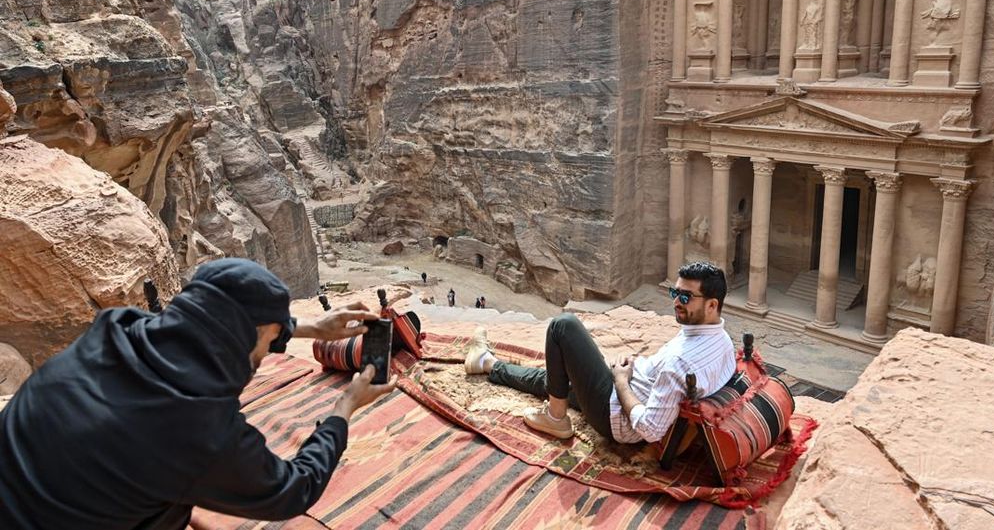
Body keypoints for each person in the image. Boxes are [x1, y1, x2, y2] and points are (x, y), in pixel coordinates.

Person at [0, 258, 397, 529]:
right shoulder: (199, 430)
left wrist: (309, 327)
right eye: (270, 340)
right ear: (255, 332)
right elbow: (295, 489)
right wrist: (344, 408)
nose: (263, 356)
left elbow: (214, 322)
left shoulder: (116, 327)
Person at [464, 262, 736, 443]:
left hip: (614, 415)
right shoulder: (721, 340)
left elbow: (651, 429)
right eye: (675, 293)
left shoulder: (681, 361)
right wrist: (637, 370)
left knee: (563, 326)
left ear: (712, 305)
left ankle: (556, 418)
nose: (676, 302)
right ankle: (487, 363)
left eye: (685, 297)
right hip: (630, 389)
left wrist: (620, 380)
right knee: (556, 381)